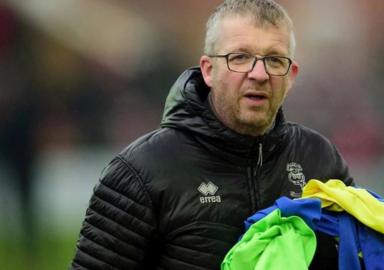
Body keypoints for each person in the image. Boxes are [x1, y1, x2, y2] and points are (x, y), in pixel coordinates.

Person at [71, 1, 354, 269]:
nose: (259, 73)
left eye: (274, 60)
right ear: (208, 70)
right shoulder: (142, 172)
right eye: (240, 57)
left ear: (291, 75)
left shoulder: (320, 160)